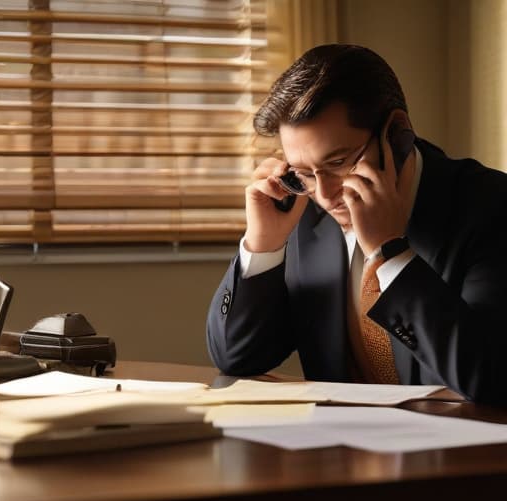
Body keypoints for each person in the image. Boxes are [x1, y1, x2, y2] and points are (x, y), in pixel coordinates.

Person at [206, 44, 507, 406]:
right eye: (304, 173)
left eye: (338, 162)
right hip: (337, 454)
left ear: (397, 135)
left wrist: (390, 253)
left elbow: (492, 380)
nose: (326, 194)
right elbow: (237, 357)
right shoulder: (302, 210)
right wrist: (263, 245)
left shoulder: (491, 206)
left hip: (464, 456)